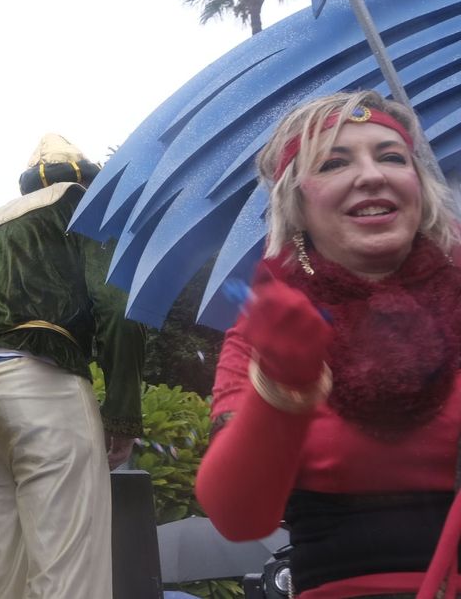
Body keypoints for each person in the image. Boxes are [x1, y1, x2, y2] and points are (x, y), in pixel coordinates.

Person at [195, 92, 461, 597]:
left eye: (391, 156)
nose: (372, 174)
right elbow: (238, 517)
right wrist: (285, 389)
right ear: (296, 205)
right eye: (335, 163)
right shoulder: (269, 329)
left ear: (420, 187)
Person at [0, 134, 144, 599]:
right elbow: (118, 311)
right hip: (44, 387)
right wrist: (122, 416)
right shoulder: (81, 211)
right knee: (68, 559)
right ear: (86, 181)